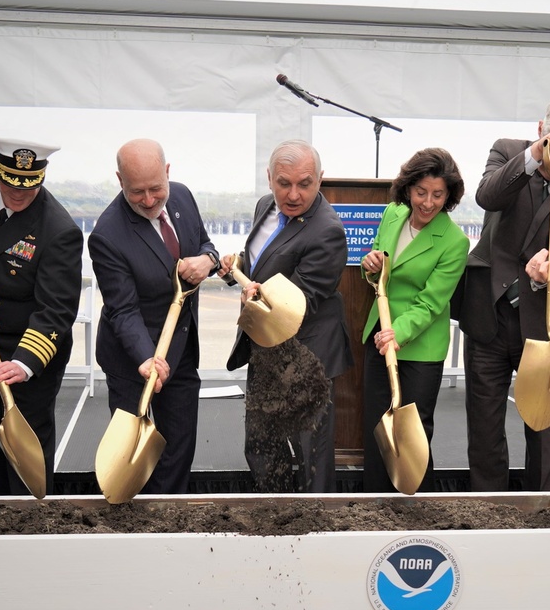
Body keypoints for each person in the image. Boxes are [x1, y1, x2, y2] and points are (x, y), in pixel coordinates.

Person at [455, 91, 550, 492]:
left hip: (547, 319)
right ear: (541, 131)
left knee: (544, 428)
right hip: (488, 314)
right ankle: (487, 510)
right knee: (484, 425)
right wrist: (534, 158)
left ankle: (542, 512)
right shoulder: (507, 151)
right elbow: (488, 196)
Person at [0, 134, 83, 495]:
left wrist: (22, 364)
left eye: (29, 185)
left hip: (30, 356)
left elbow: (57, 311)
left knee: (27, 457)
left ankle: (31, 527)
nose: (19, 193)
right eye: (10, 182)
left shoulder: (59, 230)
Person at [219, 139, 351, 493]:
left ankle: (316, 524)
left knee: (312, 454)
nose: (293, 194)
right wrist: (238, 269)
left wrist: (254, 293)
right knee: (261, 447)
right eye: (284, 183)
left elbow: (297, 303)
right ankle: (274, 515)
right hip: (265, 348)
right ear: (269, 179)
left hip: (308, 355)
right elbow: (265, 262)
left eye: (305, 184)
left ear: (320, 180)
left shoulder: (328, 231)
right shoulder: (266, 205)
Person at [88, 138, 219, 494]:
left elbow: (207, 245)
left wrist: (209, 260)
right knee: (137, 455)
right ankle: (136, 528)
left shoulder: (183, 196)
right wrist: (146, 358)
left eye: (155, 188)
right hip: (133, 359)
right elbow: (123, 309)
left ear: (167, 172)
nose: (148, 200)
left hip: (181, 349)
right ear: (119, 180)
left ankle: (170, 522)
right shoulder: (107, 235)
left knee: (179, 447)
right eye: (137, 192)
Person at [360, 148, 470, 493]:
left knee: (413, 432)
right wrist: (371, 265)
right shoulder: (392, 214)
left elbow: (431, 304)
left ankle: (417, 508)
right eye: (421, 192)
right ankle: (375, 505)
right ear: (407, 188)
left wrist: (397, 334)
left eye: (438, 194)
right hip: (380, 337)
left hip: (420, 346)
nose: (428, 202)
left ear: (449, 195)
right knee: (378, 427)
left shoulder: (455, 242)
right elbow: (378, 274)